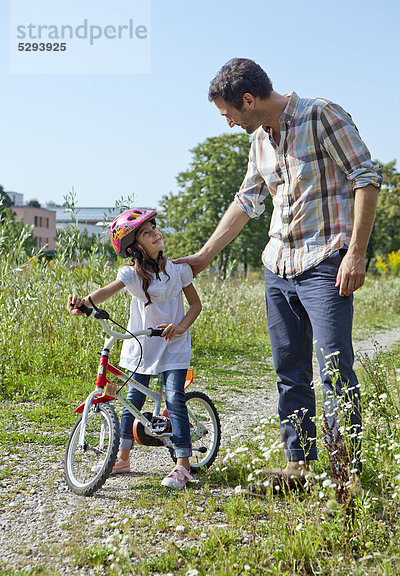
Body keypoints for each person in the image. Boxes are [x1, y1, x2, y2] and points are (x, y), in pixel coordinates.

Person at [175, 58, 382, 492]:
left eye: (228, 113)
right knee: (289, 370)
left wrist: (356, 253)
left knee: (334, 368)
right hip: (278, 266)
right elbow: (246, 201)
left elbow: (366, 178)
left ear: (248, 100)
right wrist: (204, 256)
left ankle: (347, 478)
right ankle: (299, 468)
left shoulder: (321, 115)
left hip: (326, 262)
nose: (228, 122)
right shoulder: (260, 143)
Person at [67, 208, 202, 490]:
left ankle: (183, 465)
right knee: (131, 400)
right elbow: (106, 291)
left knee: (175, 397)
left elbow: (195, 306)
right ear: (134, 247)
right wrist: (85, 303)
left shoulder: (179, 271)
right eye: (146, 232)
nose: (155, 233)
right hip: (142, 344)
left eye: (154, 228)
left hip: (173, 344)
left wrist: (181, 327)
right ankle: (122, 458)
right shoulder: (130, 274)